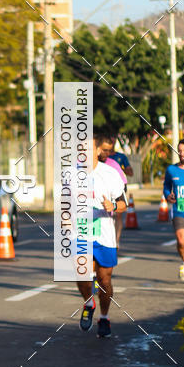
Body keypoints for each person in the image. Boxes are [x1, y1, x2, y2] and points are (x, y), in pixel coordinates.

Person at [78, 133, 126, 338]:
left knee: (104, 280)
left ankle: (104, 317)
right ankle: (89, 302)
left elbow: (124, 204)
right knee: (81, 271)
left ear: (97, 151)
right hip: (80, 231)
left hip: (104, 233)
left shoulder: (110, 173)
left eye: (88, 149)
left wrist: (113, 205)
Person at [163, 139, 184, 280]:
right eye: (179, 150)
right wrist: (168, 196)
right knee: (181, 241)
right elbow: (166, 187)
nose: (181, 153)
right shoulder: (171, 170)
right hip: (179, 211)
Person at [100, 135, 128, 249]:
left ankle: (116, 240)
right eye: (104, 150)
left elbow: (124, 181)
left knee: (119, 216)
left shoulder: (113, 164)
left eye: (109, 150)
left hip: (113, 195)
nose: (106, 153)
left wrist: (114, 204)